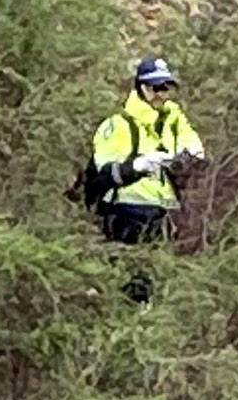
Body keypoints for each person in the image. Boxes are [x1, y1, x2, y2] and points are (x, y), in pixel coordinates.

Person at [85, 58, 205, 280]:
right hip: (125, 212)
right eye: (154, 87)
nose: (160, 93)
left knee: (158, 278)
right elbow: (104, 172)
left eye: (165, 87)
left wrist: (184, 159)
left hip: (164, 213)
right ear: (140, 87)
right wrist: (138, 166)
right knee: (127, 278)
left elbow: (195, 148)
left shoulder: (174, 120)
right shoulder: (118, 124)